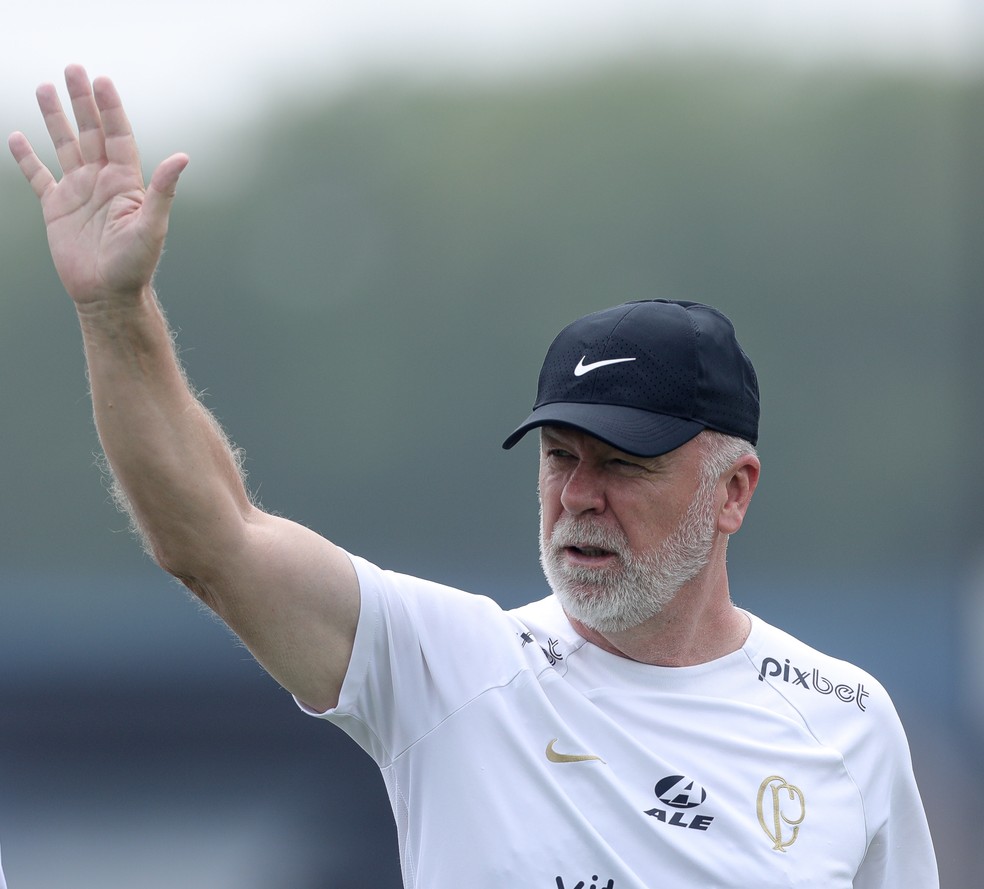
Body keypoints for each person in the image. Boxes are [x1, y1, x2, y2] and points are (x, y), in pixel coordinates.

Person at [9, 65, 938, 889]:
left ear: (734, 490)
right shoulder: (452, 666)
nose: (579, 495)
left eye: (623, 463)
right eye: (560, 457)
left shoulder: (847, 721)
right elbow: (213, 538)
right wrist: (113, 308)